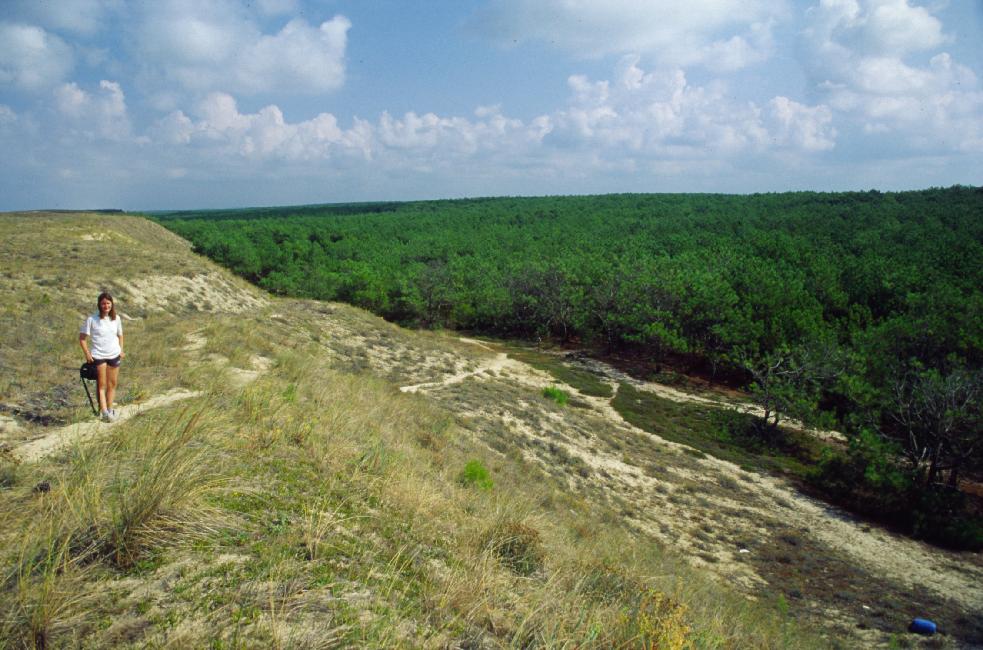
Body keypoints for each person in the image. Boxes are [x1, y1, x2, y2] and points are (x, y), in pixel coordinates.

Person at [79, 292, 125, 422]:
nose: (106, 306)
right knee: (102, 385)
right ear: (99, 304)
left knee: (112, 384)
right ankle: (104, 412)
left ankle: (110, 409)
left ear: (112, 304)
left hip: (114, 354)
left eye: (108, 303)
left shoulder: (116, 318)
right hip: (99, 355)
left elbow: (120, 335)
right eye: (103, 303)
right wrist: (87, 353)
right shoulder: (92, 320)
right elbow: (82, 338)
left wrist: (121, 350)